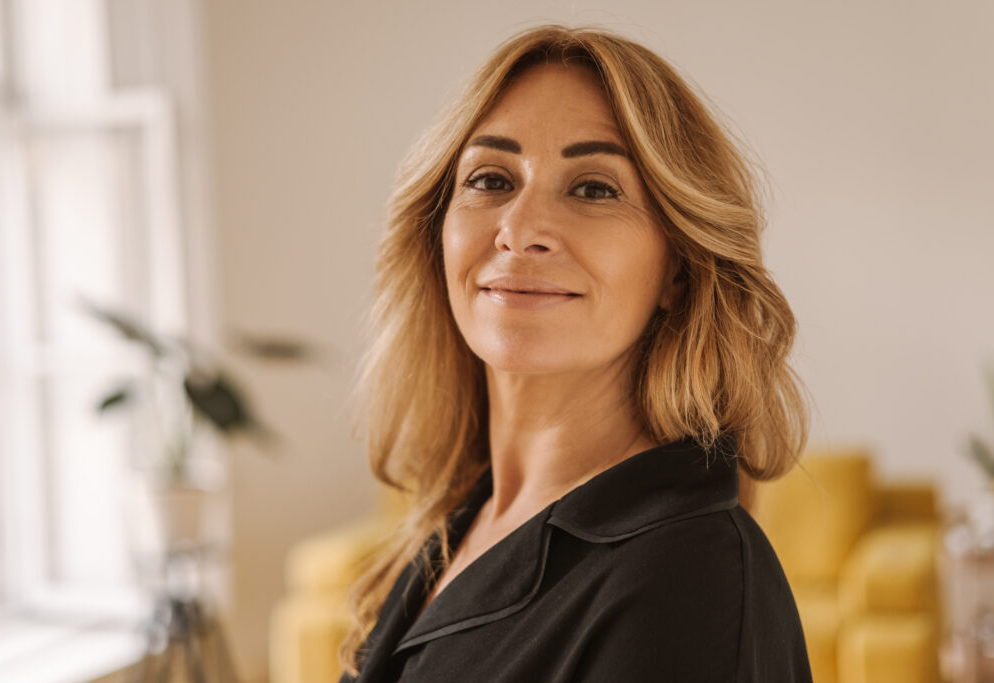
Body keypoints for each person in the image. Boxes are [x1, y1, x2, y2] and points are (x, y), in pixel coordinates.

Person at [338, 24, 813, 682]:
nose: (520, 228)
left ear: (678, 270)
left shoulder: (691, 575)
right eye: (491, 178)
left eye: (594, 188)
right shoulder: (461, 521)